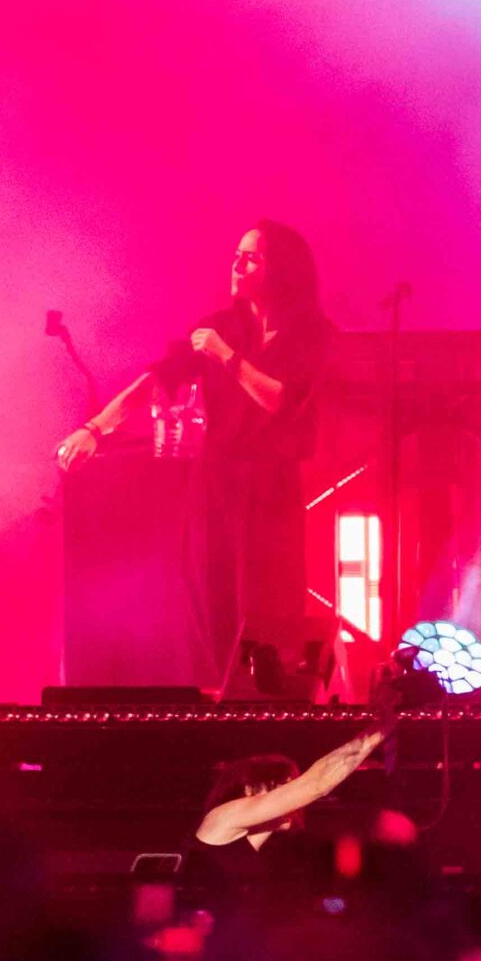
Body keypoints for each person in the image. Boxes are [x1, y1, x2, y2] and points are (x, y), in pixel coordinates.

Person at [58, 223, 332, 697]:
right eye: (236, 254)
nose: (237, 265)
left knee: (271, 609)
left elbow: (283, 401)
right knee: (212, 601)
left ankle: (273, 709)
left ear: (282, 270)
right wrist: (96, 428)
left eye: (251, 257)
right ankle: (218, 703)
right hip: (217, 484)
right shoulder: (221, 326)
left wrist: (226, 357)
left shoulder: (311, 334)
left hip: (272, 491)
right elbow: (156, 379)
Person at [184, 727, 387, 890]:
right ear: (249, 789)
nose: (292, 800)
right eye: (283, 787)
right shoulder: (222, 818)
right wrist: (382, 728)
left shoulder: (257, 855)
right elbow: (318, 783)